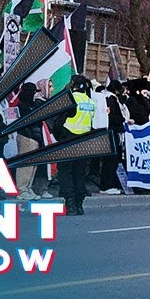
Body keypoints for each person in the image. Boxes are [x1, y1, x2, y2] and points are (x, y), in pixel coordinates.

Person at [56, 74, 96, 216]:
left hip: (68, 138)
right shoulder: (90, 101)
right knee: (79, 173)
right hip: (84, 140)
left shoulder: (70, 99)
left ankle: (70, 204)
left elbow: (59, 121)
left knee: (66, 173)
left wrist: (59, 136)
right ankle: (79, 204)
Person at [14, 82, 43, 201]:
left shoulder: (31, 105)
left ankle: (28, 187)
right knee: (25, 166)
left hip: (34, 137)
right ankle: (22, 189)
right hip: (26, 136)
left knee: (32, 165)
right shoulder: (22, 106)